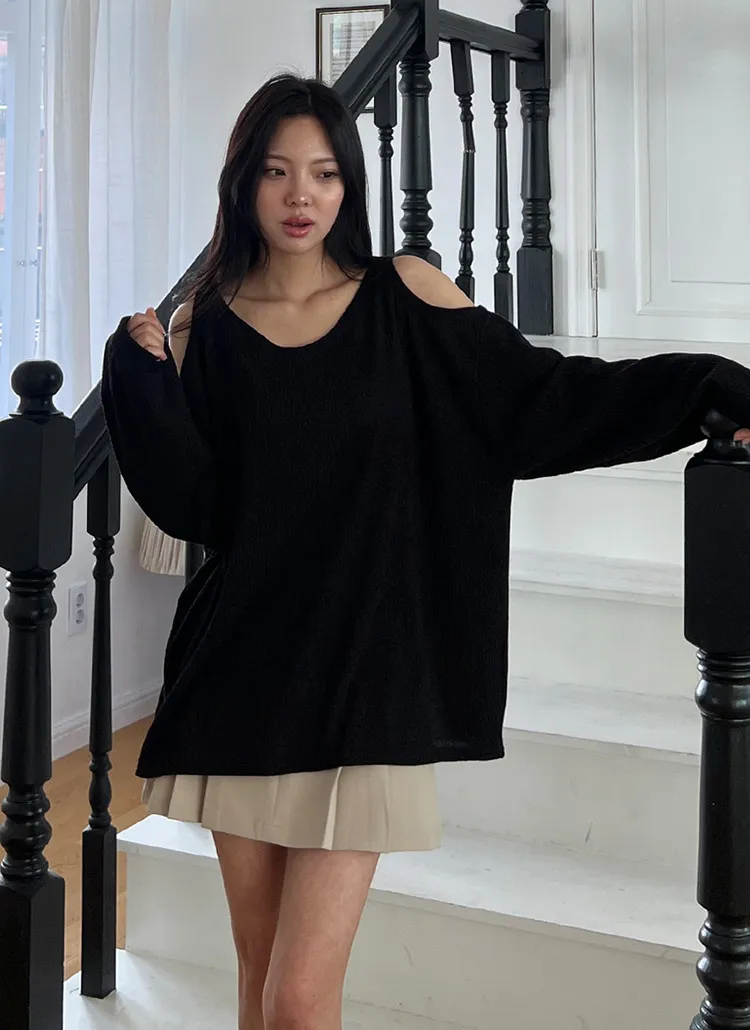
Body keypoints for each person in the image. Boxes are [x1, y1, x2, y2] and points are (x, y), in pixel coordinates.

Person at [100, 73, 750, 1030]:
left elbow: (540, 399)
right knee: (258, 988)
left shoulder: (403, 295)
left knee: (296, 1003)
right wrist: (138, 376)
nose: (300, 195)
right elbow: (197, 504)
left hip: (367, 680)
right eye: (276, 172)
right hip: (243, 675)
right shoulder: (207, 321)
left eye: (324, 173)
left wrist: (712, 389)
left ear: (350, 184)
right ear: (242, 183)